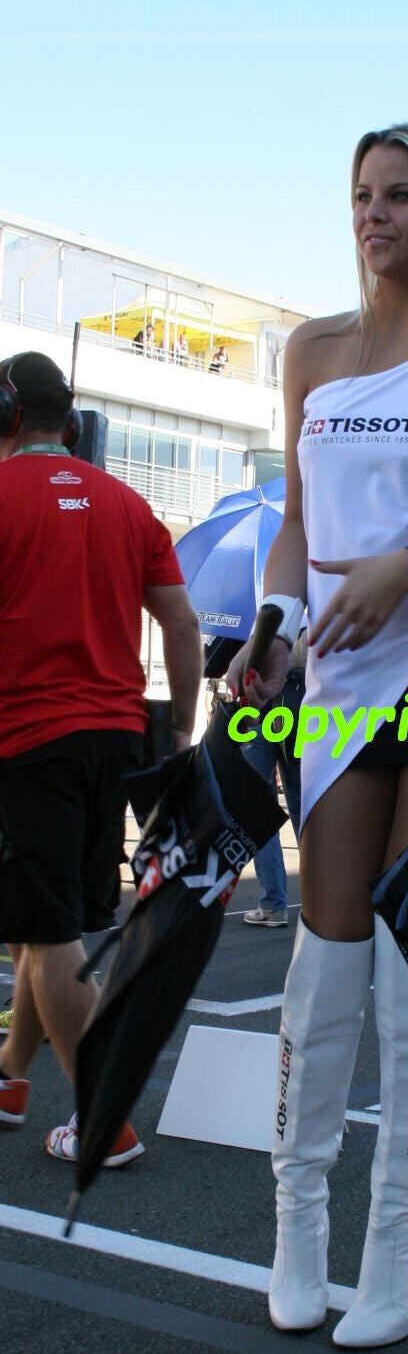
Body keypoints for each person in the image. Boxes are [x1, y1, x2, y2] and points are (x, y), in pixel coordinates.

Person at [227, 122, 408, 1346]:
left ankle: (394, 1257)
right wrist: (274, 625)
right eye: (360, 194)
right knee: (326, 952)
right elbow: (297, 524)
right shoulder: (313, 350)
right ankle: (297, 1227)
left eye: (399, 195)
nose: (373, 215)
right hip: (339, 680)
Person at [0, 352, 202, 1160]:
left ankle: (103, 1120)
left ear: (8, 413)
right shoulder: (128, 503)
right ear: (72, 419)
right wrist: (180, 731)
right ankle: (10, 1077)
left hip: (26, 740)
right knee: (46, 925)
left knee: (48, 933)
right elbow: (181, 624)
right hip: (114, 740)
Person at [243, 633, 306, 927]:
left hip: (264, 711)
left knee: (259, 809)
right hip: (297, 704)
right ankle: (322, 901)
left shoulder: (264, 612)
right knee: (303, 807)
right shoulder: (303, 611)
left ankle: (273, 904)